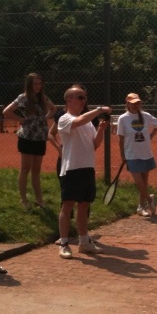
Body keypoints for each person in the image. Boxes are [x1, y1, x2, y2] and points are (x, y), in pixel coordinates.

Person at [56, 87, 112, 259]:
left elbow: (94, 145)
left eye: (85, 97)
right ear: (69, 100)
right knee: (67, 205)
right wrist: (99, 110)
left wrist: (101, 129)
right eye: (80, 97)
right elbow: (78, 121)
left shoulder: (87, 122)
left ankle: (84, 242)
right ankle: (64, 243)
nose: (83, 100)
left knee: (84, 205)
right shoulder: (64, 118)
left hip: (87, 167)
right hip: (71, 168)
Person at [3, 73, 56, 209]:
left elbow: (53, 109)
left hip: (40, 137)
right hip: (27, 137)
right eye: (35, 84)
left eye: (39, 84)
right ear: (29, 85)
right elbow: (6, 111)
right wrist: (21, 119)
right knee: (25, 168)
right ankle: (24, 200)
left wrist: (44, 118)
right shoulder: (23, 97)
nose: (38, 86)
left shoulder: (43, 98)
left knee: (36, 170)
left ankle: (39, 199)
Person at [117, 93, 157, 217]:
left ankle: (141, 207)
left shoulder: (146, 116)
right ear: (128, 104)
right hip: (131, 154)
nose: (136, 105)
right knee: (139, 182)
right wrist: (122, 155)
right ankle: (150, 200)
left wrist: (151, 135)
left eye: (138, 103)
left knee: (144, 182)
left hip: (146, 153)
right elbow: (120, 138)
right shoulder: (123, 118)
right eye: (133, 103)